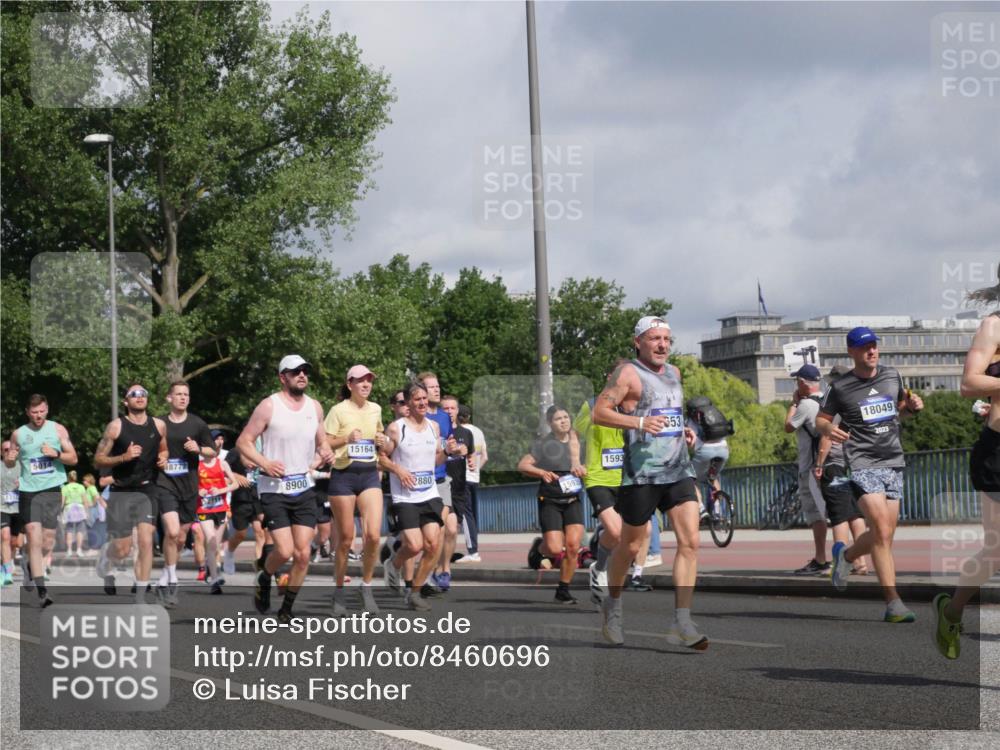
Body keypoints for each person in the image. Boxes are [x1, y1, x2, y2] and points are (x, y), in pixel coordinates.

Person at [592, 316, 705, 649]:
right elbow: (600, 412)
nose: (662, 345)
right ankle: (613, 605)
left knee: (691, 542)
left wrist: (684, 429)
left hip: (678, 470)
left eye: (667, 339)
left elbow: (669, 412)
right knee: (629, 546)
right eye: (654, 338)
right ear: (638, 341)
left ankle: (682, 620)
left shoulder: (675, 373)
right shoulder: (627, 373)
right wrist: (638, 421)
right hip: (641, 474)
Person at [817, 326, 923, 623]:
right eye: (865, 347)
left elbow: (898, 410)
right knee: (881, 529)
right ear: (852, 352)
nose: (872, 351)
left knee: (884, 533)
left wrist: (912, 408)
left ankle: (847, 557)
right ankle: (893, 602)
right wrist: (828, 429)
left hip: (893, 460)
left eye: (874, 345)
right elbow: (820, 420)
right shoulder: (840, 387)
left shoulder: (892, 375)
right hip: (862, 462)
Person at [236, 355, 334, 622]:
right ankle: (264, 575)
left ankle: (287, 608)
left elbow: (321, 442)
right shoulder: (269, 406)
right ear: (283, 377)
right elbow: (243, 441)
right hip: (274, 489)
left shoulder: (314, 407)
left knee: (303, 554)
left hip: (303, 487)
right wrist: (264, 462)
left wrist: (326, 453)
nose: (302, 375)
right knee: (285, 550)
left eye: (305, 371)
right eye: (295, 372)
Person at [934, 293, 1000, 658]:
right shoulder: (994, 326)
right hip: (997, 454)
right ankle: (953, 610)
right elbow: (969, 384)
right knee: (996, 550)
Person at [324, 364, 390, 614]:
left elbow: (381, 436)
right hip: (343, 476)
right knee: (346, 540)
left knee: (373, 535)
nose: (366, 385)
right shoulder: (338, 410)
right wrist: (346, 439)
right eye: (360, 381)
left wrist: (383, 441)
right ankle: (339, 591)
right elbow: (326, 442)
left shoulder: (376, 409)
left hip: (369, 474)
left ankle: (366, 586)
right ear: (349, 384)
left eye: (369, 381)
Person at [93, 384, 168, 602]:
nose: (140, 397)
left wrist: (164, 457)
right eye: (134, 394)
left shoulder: (159, 425)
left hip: (147, 488)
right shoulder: (116, 427)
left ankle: (141, 596)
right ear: (126, 402)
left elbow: (163, 448)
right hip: (121, 491)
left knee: (146, 541)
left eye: (143, 393)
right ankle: (106, 560)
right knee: (122, 550)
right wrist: (123, 457)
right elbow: (98, 460)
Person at [6, 394, 79, 606]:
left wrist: (55, 453)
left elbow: (73, 458)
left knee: (47, 541)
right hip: (29, 491)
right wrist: (10, 461)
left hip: (53, 489)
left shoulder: (58, 430)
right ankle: (42, 591)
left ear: (47, 410)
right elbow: (11, 462)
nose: (38, 416)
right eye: (34, 412)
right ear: (28, 412)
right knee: (33, 537)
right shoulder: (19, 434)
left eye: (42, 411)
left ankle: (29, 563)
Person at [382, 382, 446, 611]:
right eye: (417, 399)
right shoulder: (397, 429)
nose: (422, 403)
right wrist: (398, 470)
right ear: (408, 402)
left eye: (424, 399)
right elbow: (381, 458)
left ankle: (415, 592)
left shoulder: (434, 427)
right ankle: (394, 563)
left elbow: (436, 459)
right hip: (405, 497)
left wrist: (449, 452)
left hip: (429, 493)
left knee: (432, 544)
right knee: (415, 544)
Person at [153, 381, 216, 605]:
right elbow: (150, 448)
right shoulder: (158, 423)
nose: (182, 397)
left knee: (180, 537)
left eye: (186, 394)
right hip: (164, 483)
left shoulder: (197, 424)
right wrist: (158, 459)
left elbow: (212, 451)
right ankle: (172, 581)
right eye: (178, 394)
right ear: (169, 398)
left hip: (189, 487)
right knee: (171, 531)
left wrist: (198, 449)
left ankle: (164, 576)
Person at [518, 405, 586, 604]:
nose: (564, 421)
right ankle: (539, 549)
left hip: (573, 499)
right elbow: (522, 465)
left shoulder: (578, 442)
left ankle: (563, 590)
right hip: (550, 501)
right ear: (550, 423)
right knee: (556, 549)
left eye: (566, 417)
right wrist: (541, 472)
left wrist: (583, 469)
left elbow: (590, 463)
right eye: (558, 419)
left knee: (573, 547)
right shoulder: (543, 444)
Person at [574, 363, 626, 608]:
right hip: (598, 478)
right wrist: (576, 461)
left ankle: (601, 562)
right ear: (609, 377)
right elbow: (574, 433)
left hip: (628, 479)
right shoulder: (593, 404)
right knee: (615, 532)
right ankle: (600, 568)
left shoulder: (634, 407)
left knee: (628, 535)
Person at [814, 365, 869, 576]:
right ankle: (860, 562)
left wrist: (819, 464)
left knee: (838, 515)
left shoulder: (837, 404)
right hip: (855, 465)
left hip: (834, 465)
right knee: (855, 513)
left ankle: (841, 562)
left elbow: (828, 436)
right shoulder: (858, 402)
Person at [784, 364, 831, 576]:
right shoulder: (828, 401)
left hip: (811, 467)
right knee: (838, 514)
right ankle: (855, 561)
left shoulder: (804, 405)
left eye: (797, 381)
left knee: (816, 515)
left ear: (803, 383)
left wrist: (794, 402)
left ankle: (821, 559)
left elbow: (788, 426)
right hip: (832, 463)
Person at [437, 395, 473, 580]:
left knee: (451, 531)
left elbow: (471, 454)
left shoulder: (466, 433)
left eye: (452, 408)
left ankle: (442, 567)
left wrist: (470, 457)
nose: (449, 411)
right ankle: (443, 570)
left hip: (458, 487)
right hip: (440, 485)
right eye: (445, 408)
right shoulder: (436, 430)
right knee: (443, 529)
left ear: (458, 411)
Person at [196, 450, 239, 594]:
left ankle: (211, 567)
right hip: (203, 509)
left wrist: (221, 490)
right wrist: (198, 491)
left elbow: (235, 484)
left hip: (220, 508)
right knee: (211, 539)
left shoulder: (222, 464)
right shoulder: (197, 465)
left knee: (215, 545)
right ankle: (214, 579)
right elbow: (188, 486)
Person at [456, 404, 487, 562]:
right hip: (475, 477)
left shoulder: (460, 433)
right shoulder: (479, 432)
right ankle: (472, 549)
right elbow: (485, 457)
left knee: (465, 514)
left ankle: (473, 551)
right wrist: (476, 470)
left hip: (463, 477)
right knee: (472, 514)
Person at [1, 440, 21, 586]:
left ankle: (7, 562)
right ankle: (7, 571)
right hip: (2, 507)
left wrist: (24, 483)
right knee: (5, 536)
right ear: (1, 452)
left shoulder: (23, 467)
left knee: (15, 542)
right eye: (5, 450)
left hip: (19, 508)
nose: (8, 452)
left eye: (11, 449)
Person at [60, 470, 90, 557]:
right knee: (80, 530)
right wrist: (87, 512)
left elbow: (62, 502)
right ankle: (79, 550)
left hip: (69, 509)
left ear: (68, 478)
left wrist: (60, 511)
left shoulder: (65, 488)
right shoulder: (81, 487)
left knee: (69, 530)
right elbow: (85, 501)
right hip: (80, 509)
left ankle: (69, 550)